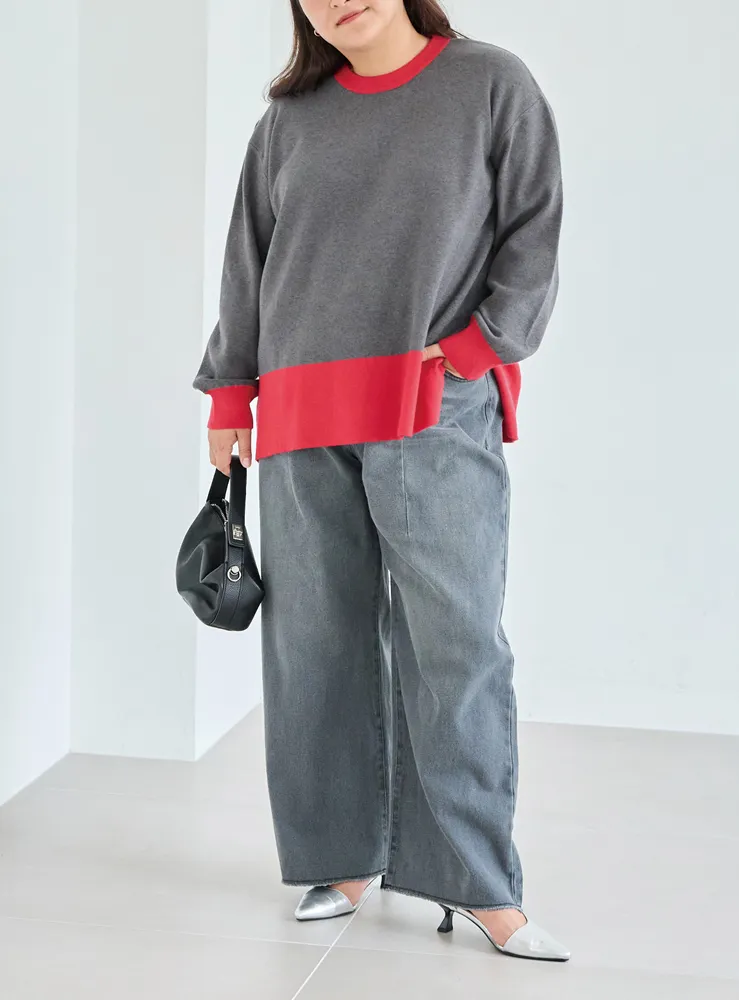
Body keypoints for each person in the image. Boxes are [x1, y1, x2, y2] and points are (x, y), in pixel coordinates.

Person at [193, 0, 568, 963]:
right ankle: (344, 857)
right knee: (314, 645)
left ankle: (477, 880)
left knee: (457, 644)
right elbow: (249, 261)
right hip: (300, 409)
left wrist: (479, 348)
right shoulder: (289, 120)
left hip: (431, 405)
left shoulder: (489, 83)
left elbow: (533, 228)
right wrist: (229, 396)